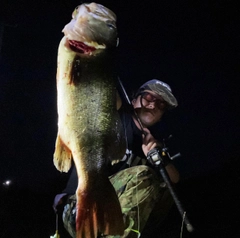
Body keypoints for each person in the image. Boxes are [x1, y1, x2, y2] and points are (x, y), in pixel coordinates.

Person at [53, 79, 180, 238]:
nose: (153, 105)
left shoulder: (154, 143)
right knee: (145, 176)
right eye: (148, 97)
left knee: (164, 188)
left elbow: (174, 179)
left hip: (113, 211)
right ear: (134, 100)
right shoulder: (114, 116)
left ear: (161, 116)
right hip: (80, 205)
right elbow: (104, 91)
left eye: (161, 105)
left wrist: (160, 157)